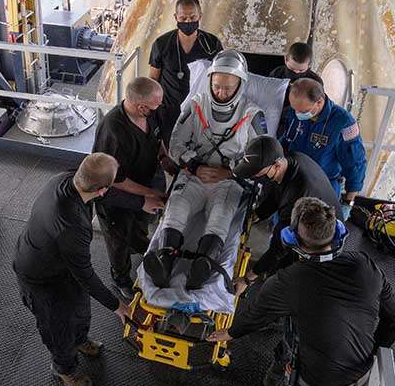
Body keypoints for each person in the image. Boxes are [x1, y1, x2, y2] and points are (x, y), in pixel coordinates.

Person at [208, 198, 395, 386]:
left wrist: (229, 333)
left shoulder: (287, 281)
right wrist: (371, 354)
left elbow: (255, 317)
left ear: (294, 240)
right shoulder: (364, 264)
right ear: (336, 233)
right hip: (361, 383)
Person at [143, 50, 266, 290]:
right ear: (210, 80)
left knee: (220, 216)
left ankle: (204, 264)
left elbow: (260, 157)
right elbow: (176, 144)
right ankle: (164, 259)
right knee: (176, 210)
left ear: (240, 85)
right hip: (193, 175)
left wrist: (231, 172)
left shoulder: (252, 115)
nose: (221, 93)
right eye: (217, 86)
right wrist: (195, 166)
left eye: (228, 89)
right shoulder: (195, 105)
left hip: (229, 181)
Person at [13, 153, 132, 386]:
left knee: (79, 307)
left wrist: (144, 201)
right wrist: (117, 305)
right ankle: (64, 370)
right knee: (58, 328)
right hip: (40, 278)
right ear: (100, 190)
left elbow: (110, 193)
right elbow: (86, 275)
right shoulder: (72, 226)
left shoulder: (66, 178)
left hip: (60, 263)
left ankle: (80, 340)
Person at [92, 77, 169, 298]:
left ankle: (138, 244)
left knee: (141, 222)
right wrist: (151, 194)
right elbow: (116, 180)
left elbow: (157, 140)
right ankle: (121, 279)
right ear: (141, 106)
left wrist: (165, 158)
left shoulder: (150, 115)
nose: (158, 109)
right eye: (155, 106)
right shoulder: (113, 131)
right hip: (115, 195)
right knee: (118, 239)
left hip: (144, 179)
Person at [233, 134, 342, 281]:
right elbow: (277, 192)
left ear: (276, 166)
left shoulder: (296, 197)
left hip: (321, 237)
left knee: (286, 275)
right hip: (312, 215)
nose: (255, 178)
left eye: (258, 174)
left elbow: (279, 246)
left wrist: (247, 279)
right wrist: (257, 214)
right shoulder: (290, 160)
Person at [281, 78, 366, 220]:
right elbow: (286, 140)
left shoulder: (343, 123)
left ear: (319, 102)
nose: (297, 114)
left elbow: (355, 163)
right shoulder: (295, 112)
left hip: (324, 184)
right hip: (294, 178)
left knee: (316, 229)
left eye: (302, 111)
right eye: (294, 109)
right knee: (285, 224)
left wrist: (348, 202)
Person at [149, 0, 223, 147]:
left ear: (200, 16)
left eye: (192, 17)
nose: (188, 21)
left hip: (200, 110)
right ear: (176, 17)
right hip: (170, 110)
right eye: (183, 18)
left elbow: (220, 76)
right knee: (172, 150)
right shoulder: (162, 44)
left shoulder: (211, 43)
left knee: (198, 149)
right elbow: (153, 79)